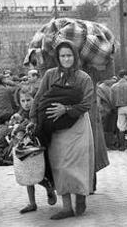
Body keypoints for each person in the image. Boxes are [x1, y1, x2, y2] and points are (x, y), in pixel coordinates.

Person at [30, 40, 95, 220]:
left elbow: (86, 103)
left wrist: (65, 109)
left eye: (69, 55)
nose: (66, 59)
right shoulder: (51, 75)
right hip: (55, 129)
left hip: (77, 127)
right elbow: (39, 97)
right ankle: (66, 207)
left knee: (76, 164)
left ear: (75, 57)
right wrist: (33, 118)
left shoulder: (83, 78)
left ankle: (81, 196)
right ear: (58, 58)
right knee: (59, 165)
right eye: (62, 56)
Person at [12, 88, 57, 214]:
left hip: (39, 146)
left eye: (28, 100)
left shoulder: (38, 112)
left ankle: (49, 188)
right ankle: (32, 203)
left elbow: (33, 125)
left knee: (41, 172)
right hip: (26, 149)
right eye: (22, 101)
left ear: (34, 99)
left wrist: (20, 127)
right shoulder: (21, 113)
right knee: (27, 174)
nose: (26, 103)